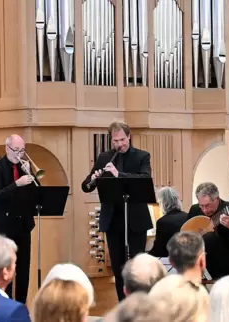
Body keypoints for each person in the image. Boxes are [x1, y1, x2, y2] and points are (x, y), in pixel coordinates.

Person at [81, 121, 153, 302]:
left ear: (129, 136)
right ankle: (123, 305)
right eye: (115, 141)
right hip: (113, 219)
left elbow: (145, 178)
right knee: (118, 268)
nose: (119, 144)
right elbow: (86, 186)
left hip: (135, 219)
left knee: (136, 267)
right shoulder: (105, 157)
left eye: (122, 139)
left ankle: (138, 305)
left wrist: (118, 175)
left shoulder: (142, 156)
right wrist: (94, 179)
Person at [0, 134, 39, 304]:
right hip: (4, 225)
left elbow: (36, 193)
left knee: (24, 268)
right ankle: (6, 305)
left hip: (23, 224)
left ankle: (21, 305)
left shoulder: (25, 167)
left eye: (22, 150)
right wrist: (17, 183)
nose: (19, 154)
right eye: (16, 150)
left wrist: (31, 175)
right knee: (5, 269)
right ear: (6, 148)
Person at [187, 182, 229, 280]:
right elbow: (187, 234)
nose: (205, 210)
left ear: (217, 199)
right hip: (207, 269)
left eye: (208, 205)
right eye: (201, 205)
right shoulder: (195, 210)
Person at [149, 187, 188, 257]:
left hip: (171, 260)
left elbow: (158, 250)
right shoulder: (187, 216)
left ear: (162, 203)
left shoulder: (162, 222)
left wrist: (144, 256)